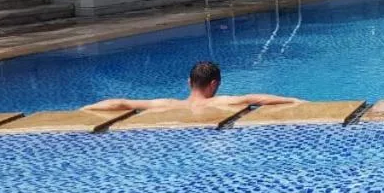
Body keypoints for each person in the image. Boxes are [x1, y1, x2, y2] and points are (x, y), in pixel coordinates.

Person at [82, 61, 302, 112]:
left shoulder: (167, 104)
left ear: (189, 82)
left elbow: (120, 103)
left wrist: (85, 110)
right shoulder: (222, 102)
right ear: (214, 84)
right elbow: (257, 98)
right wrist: (295, 100)